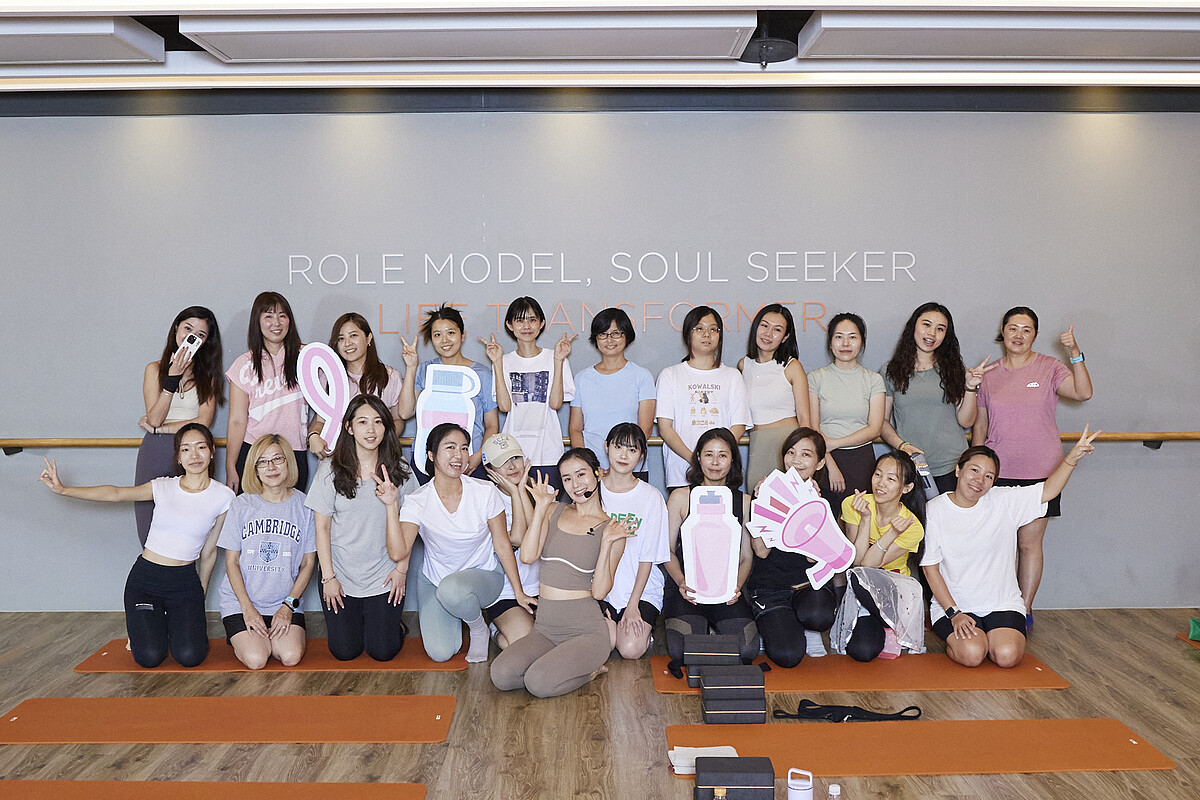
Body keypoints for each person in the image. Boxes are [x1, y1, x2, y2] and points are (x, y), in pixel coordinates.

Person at [39, 423, 233, 668]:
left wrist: (200, 595)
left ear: (212, 451)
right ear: (178, 457)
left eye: (201, 447)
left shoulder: (224, 496)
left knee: (190, 656)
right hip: (146, 580)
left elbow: (210, 552)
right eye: (186, 449)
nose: (194, 455)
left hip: (184, 583)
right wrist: (64, 490)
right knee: (149, 657)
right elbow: (116, 493)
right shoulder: (163, 486)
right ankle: (146, 627)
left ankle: (165, 625)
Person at [922, 428, 1099, 668]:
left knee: (1007, 656)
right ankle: (971, 641)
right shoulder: (935, 510)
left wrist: (1072, 458)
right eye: (974, 470)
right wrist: (954, 613)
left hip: (1002, 603)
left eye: (988, 476)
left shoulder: (1003, 500)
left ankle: (989, 639)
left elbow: (1048, 491)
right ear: (958, 470)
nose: (979, 480)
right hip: (955, 606)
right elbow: (930, 569)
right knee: (972, 654)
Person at [972, 307, 1093, 622]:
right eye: (1013, 328)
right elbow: (980, 426)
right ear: (1003, 331)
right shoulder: (989, 373)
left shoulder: (1049, 367)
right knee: (997, 546)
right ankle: (998, 606)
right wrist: (974, 468)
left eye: (1026, 330)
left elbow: (1083, 393)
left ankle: (1023, 611)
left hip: (1041, 474)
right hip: (997, 473)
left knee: (1028, 544)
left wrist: (1074, 352)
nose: (1019, 335)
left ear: (1035, 335)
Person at [490, 448, 634, 697]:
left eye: (581, 474)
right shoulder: (553, 510)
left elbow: (600, 592)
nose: (575, 484)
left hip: (586, 633)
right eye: (567, 478)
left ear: (598, 473)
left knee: (537, 683)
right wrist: (540, 507)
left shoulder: (612, 530)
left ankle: (590, 672)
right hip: (546, 629)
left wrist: (606, 543)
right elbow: (527, 556)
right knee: (501, 675)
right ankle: (560, 664)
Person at [395, 423, 533, 663]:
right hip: (436, 579)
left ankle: (479, 628)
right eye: (450, 447)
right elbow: (401, 550)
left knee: (453, 589)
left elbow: (502, 544)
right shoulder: (417, 500)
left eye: (464, 448)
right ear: (431, 455)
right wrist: (390, 505)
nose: (458, 455)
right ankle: (464, 614)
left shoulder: (484, 491)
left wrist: (518, 592)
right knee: (440, 653)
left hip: (484, 575)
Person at [306, 395, 417, 662]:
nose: (371, 430)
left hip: (384, 574)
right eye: (363, 422)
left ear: (386, 427)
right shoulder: (330, 469)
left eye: (378, 422)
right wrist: (328, 578)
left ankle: (391, 624)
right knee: (345, 652)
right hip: (341, 574)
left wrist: (401, 570)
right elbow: (321, 528)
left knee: (383, 651)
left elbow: (411, 525)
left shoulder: (400, 469)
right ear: (349, 427)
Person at [662, 427, 760, 671]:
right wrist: (682, 582)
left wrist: (735, 587)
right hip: (689, 590)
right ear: (698, 458)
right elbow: (667, 551)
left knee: (747, 650)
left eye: (722, 455)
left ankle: (714, 634)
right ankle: (709, 634)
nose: (715, 462)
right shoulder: (680, 497)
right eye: (709, 455)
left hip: (727, 592)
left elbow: (746, 557)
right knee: (681, 651)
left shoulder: (745, 502)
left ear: (733, 460)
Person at [218, 434, 316, 669]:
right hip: (242, 602)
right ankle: (246, 639)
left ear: (288, 462)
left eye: (277, 459)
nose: (271, 467)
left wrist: (288, 606)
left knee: (290, 656)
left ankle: (267, 638)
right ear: (255, 469)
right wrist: (248, 610)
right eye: (262, 462)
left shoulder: (305, 507)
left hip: (285, 602)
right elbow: (231, 563)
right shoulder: (241, 505)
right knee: (256, 659)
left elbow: (308, 564)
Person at [745, 427, 837, 667]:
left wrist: (811, 504)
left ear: (820, 463)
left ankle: (809, 629)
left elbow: (813, 559)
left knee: (817, 616)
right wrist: (762, 503)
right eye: (791, 452)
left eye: (806, 454)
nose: (796, 460)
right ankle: (776, 626)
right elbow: (761, 551)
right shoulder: (764, 492)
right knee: (788, 656)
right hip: (770, 587)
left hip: (809, 585)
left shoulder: (826, 500)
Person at [881, 303, 994, 495]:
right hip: (911, 466)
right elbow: (881, 422)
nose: (932, 333)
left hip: (952, 465)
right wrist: (902, 446)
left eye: (940, 329)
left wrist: (970, 387)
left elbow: (966, 421)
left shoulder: (955, 369)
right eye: (926, 324)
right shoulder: (890, 371)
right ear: (913, 326)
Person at [135, 306, 224, 546]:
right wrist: (172, 377)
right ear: (176, 329)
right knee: (148, 520)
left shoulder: (208, 377)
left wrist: (161, 429)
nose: (191, 337)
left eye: (200, 335)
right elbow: (155, 417)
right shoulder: (154, 369)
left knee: (193, 523)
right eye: (187, 329)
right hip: (156, 450)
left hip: (194, 450)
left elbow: (203, 421)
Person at [832, 451, 927, 662]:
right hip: (861, 586)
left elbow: (869, 564)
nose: (881, 483)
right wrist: (866, 518)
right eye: (878, 474)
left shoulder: (912, 526)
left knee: (861, 577)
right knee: (862, 651)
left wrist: (892, 533)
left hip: (894, 589)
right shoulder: (854, 503)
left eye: (891, 479)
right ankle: (875, 618)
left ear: (906, 488)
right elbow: (858, 562)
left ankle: (891, 624)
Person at [481, 296, 576, 491]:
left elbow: (555, 404)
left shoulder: (555, 357)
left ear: (541, 324)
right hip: (512, 454)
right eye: (520, 320)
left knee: (547, 506)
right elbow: (504, 406)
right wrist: (497, 363)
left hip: (548, 451)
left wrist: (558, 360)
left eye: (532, 319)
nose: (526, 326)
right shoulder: (504, 361)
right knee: (516, 505)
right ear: (509, 325)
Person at [398, 303, 499, 482]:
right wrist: (411, 368)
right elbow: (405, 413)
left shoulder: (482, 374)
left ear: (462, 335)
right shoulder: (424, 370)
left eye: (451, 332)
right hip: (427, 460)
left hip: (469, 462)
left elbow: (492, 425)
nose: (445, 340)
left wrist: (478, 457)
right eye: (437, 335)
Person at [656, 306, 751, 493]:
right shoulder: (670, 375)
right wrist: (696, 460)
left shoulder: (732, 376)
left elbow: (739, 425)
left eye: (713, 329)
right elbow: (665, 427)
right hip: (681, 472)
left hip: (721, 474)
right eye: (699, 328)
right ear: (688, 334)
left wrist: (715, 460)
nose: (707, 334)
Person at [597, 423, 669, 660]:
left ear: (641, 455)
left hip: (641, 589)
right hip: (602, 589)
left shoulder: (651, 497)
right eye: (618, 447)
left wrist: (632, 605)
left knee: (630, 649)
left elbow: (648, 558)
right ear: (607, 447)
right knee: (605, 643)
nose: (624, 455)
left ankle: (646, 632)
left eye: (632, 450)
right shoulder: (594, 491)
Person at [226, 291, 308, 493]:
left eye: (282, 315)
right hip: (253, 453)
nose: (276, 323)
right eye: (269, 316)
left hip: (293, 452)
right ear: (258, 321)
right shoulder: (244, 364)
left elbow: (327, 406)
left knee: (291, 511)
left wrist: (314, 433)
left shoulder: (307, 358)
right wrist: (230, 465)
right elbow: (237, 420)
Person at [807, 312, 885, 512]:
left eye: (852, 337)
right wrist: (830, 464)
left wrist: (835, 443)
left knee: (859, 519)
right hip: (824, 458)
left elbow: (875, 429)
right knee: (825, 520)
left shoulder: (873, 380)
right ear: (830, 342)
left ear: (861, 342)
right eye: (839, 337)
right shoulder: (816, 378)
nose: (845, 343)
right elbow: (813, 428)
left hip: (861, 459)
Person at [568, 308, 656, 474]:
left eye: (616, 333)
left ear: (626, 336)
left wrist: (621, 464)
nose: (609, 340)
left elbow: (645, 429)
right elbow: (575, 429)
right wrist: (590, 465)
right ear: (596, 338)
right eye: (603, 334)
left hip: (631, 468)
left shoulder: (642, 376)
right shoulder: (581, 378)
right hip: (594, 471)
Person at [308, 312, 405, 458]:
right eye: (341, 338)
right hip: (338, 458)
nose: (347, 343)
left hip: (379, 457)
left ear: (368, 338)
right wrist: (314, 435)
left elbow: (397, 420)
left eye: (353, 336)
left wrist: (380, 440)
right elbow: (320, 420)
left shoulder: (390, 376)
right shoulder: (328, 378)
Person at [739, 303, 810, 490]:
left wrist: (809, 455)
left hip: (787, 445)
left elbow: (805, 419)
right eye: (764, 325)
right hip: (757, 445)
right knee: (756, 499)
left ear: (785, 337)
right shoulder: (743, 365)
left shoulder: (792, 366)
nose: (768, 333)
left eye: (777, 329)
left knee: (791, 501)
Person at [480, 432, 540, 650]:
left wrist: (521, 491)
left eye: (515, 457)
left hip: (540, 588)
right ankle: (496, 631)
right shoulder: (486, 499)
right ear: (490, 470)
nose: (512, 466)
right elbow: (517, 539)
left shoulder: (540, 490)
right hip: (505, 592)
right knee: (526, 644)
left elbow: (536, 538)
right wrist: (515, 493)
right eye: (502, 462)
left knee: (558, 638)